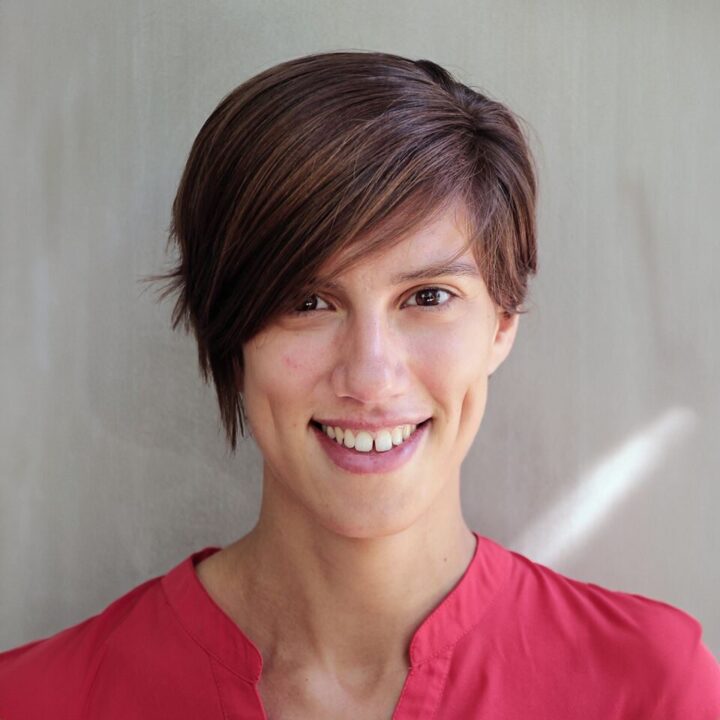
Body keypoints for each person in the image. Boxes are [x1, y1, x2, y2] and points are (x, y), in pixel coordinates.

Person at [1, 50, 718, 720]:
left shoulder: (648, 688)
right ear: (228, 330)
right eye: (307, 302)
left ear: (503, 322)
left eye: (429, 296)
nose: (370, 377)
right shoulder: (39, 700)